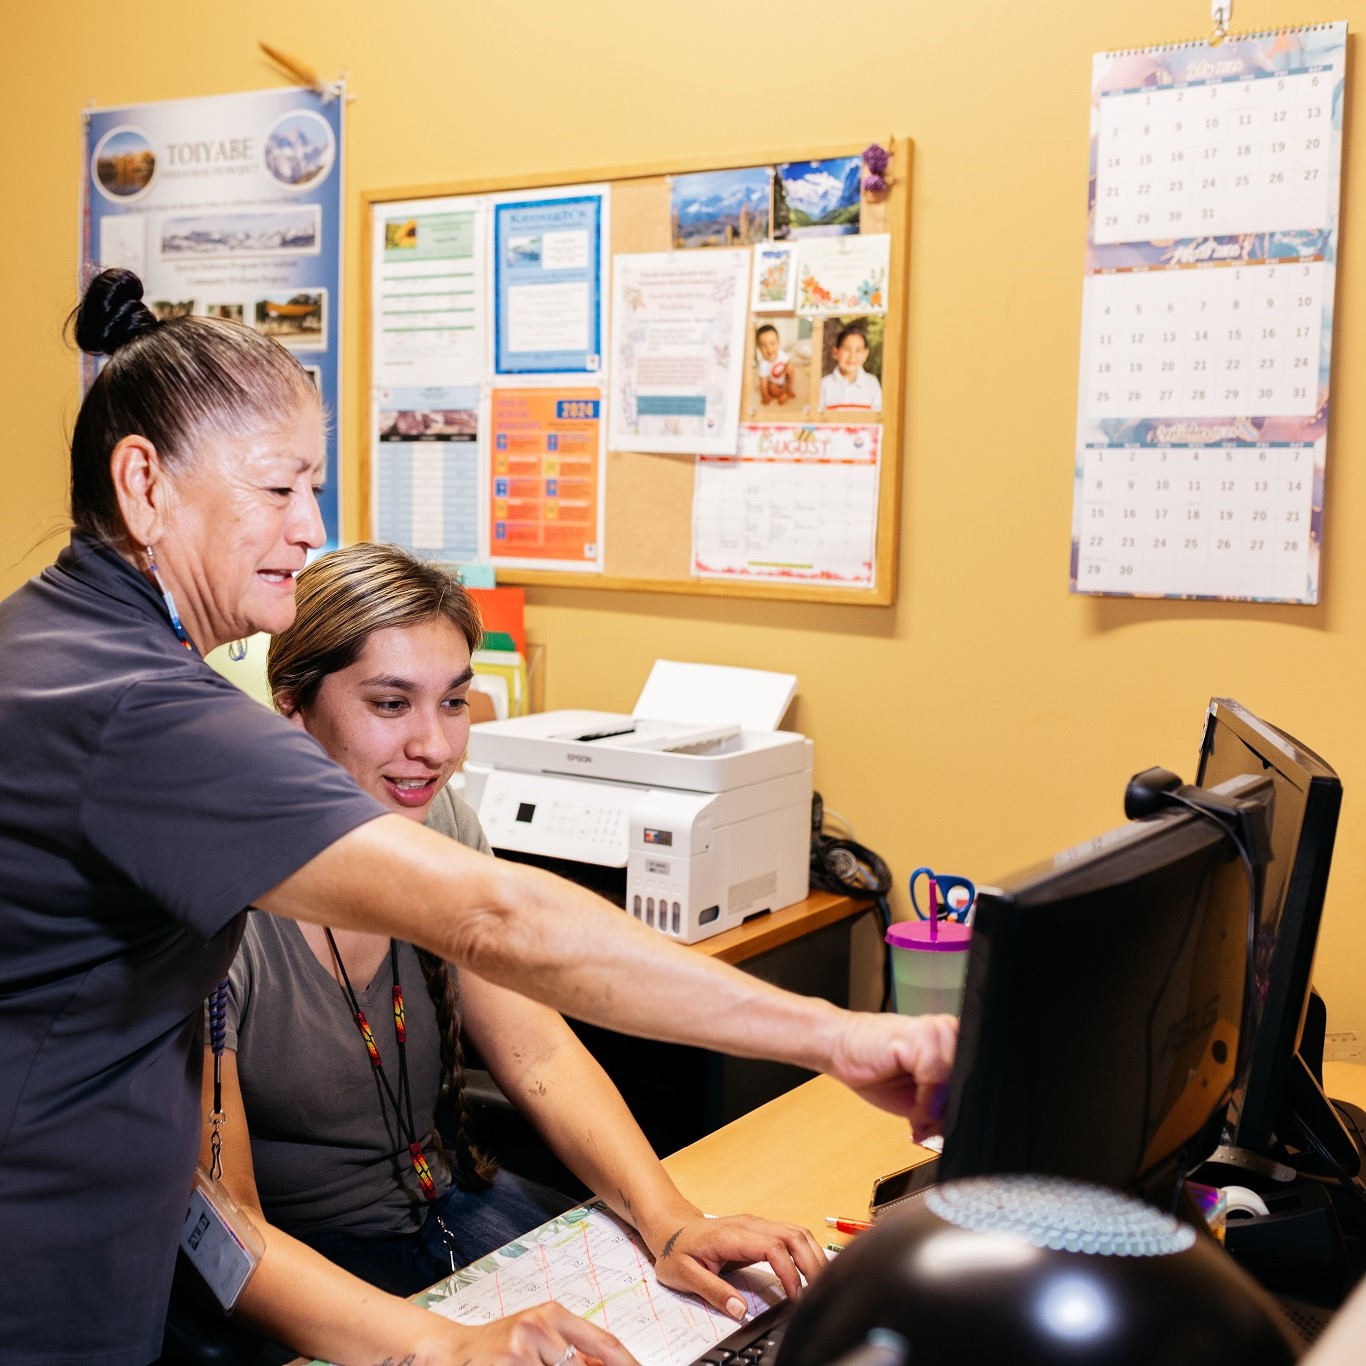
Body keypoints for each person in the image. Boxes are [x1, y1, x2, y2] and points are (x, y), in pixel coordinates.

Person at [0, 268, 955, 1366]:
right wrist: (838, 1035)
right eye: (278, 488)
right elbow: (495, 918)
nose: (310, 527)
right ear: (143, 484)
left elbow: (527, 1026)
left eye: (314, 487)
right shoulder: (136, 709)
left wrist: (668, 1218)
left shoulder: (61, 647)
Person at [206, 541, 826, 1357]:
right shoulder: (212, 898)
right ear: (293, 709)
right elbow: (231, 1228)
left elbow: (537, 1053)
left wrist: (672, 1222)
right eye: (390, 703)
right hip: (306, 1273)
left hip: (442, 1210)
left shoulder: (440, 820)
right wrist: (450, 1347)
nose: (435, 746)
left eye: (453, 702)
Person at [818, 325, 883, 414]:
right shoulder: (824, 385)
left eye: (858, 350)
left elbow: (878, 416)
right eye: (847, 349)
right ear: (836, 352)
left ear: (865, 354)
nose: (852, 356)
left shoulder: (872, 383)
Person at [755, 323, 794, 405]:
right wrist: (765, 395)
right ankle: (783, 394)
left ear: (778, 343)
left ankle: (789, 389)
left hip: (783, 378)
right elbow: (763, 383)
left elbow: (788, 361)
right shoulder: (764, 364)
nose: (769, 349)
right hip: (773, 382)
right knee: (772, 388)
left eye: (772, 343)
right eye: (764, 345)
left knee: (791, 369)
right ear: (759, 348)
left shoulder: (781, 354)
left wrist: (789, 365)